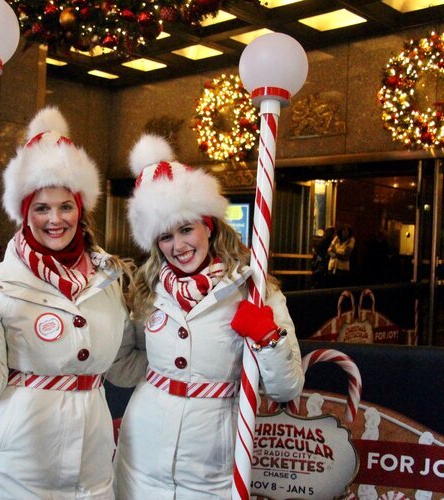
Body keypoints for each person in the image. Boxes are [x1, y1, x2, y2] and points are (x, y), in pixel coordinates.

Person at [0, 107, 145, 499]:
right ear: (24, 213)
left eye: (65, 206)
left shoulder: (108, 277)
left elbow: (123, 367)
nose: (55, 219)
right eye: (41, 208)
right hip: (17, 461)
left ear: (81, 208)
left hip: (90, 457)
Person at [114, 134, 304, 498]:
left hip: (212, 464)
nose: (179, 246)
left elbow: (286, 388)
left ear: (209, 226)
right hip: (142, 453)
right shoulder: (146, 291)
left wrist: (267, 339)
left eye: (187, 229)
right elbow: (123, 366)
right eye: (165, 236)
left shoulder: (255, 288)